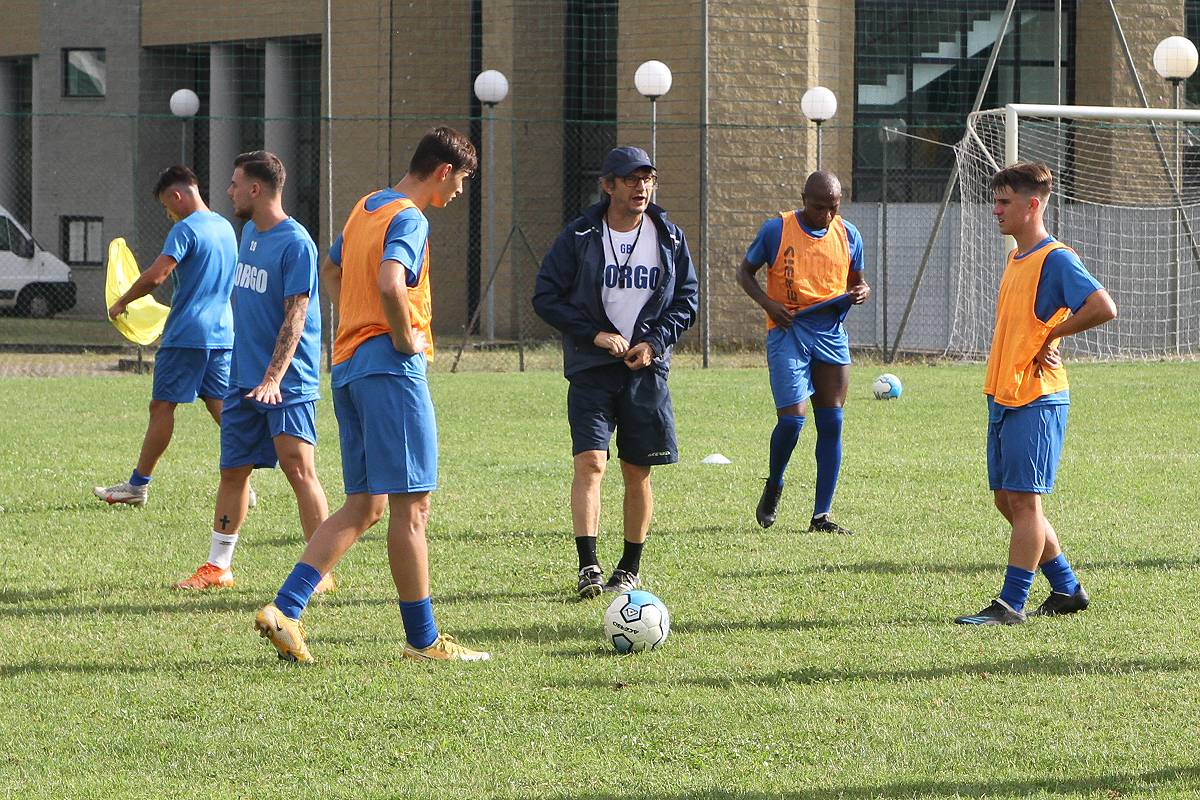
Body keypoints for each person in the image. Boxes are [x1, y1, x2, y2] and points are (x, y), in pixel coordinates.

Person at [254, 127, 488, 663]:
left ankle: (285, 610)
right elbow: (390, 282)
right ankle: (424, 642)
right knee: (413, 507)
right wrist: (404, 338)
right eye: (462, 182)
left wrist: (354, 319)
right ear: (443, 172)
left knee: (365, 505)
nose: (458, 193)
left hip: (350, 368)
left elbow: (330, 269)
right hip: (390, 368)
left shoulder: (366, 207)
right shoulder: (410, 216)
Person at [533, 145, 699, 600]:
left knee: (636, 470)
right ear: (608, 185)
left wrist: (655, 343)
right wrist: (594, 336)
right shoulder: (580, 235)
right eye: (631, 179)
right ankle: (588, 565)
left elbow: (687, 299)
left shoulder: (668, 236)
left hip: (646, 371)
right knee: (590, 462)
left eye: (648, 178)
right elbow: (546, 296)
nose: (641, 186)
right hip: (592, 369)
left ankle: (629, 566)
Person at [955, 161, 1117, 625]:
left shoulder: (1055, 257)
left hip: (1038, 397)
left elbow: (1103, 306)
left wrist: (1053, 335)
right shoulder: (1015, 257)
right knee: (1006, 500)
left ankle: (1010, 604)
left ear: (1032, 205)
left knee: (1025, 502)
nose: (995, 210)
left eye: (1004, 202)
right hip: (1006, 392)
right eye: (995, 200)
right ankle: (1066, 588)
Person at [173, 152, 332, 592]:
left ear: (256, 190)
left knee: (299, 471)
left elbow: (296, 316)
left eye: (235, 183)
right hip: (242, 379)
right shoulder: (248, 232)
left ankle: (320, 571)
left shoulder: (297, 243)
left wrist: (274, 379)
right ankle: (217, 567)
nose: (229, 191)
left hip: (286, 384)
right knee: (233, 470)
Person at [94, 166, 238, 508]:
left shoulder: (186, 230)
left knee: (162, 407)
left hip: (187, 333)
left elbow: (157, 276)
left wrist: (121, 301)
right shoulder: (226, 228)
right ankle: (241, 479)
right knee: (221, 407)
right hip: (222, 333)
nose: (168, 214)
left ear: (177, 195)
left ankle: (137, 486)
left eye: (166, 206)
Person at [736, 170, 869, 535]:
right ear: (803, 199)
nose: (826, 215)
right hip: (788, 331)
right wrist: (767, 303)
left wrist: (861, 292)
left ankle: (820, 516)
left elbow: (856, 283)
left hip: (830, 332)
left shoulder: (849, 235)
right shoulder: (776, 229)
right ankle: (775, 482)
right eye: (818, 207)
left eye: (833, 207)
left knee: (833, 422)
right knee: (793, 420)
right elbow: (744, 273)